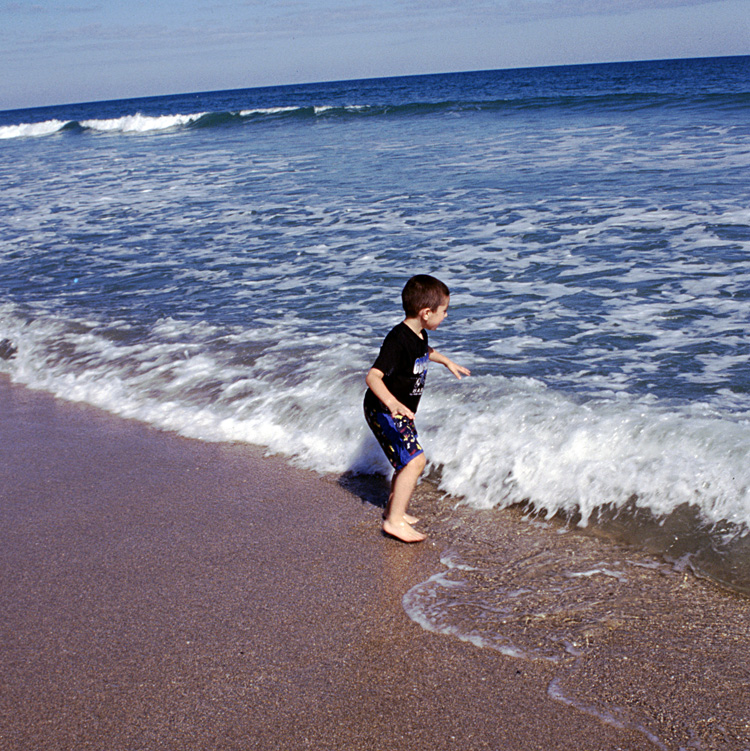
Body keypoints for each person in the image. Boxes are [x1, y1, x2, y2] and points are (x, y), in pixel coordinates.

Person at [364, 274, 470, 543]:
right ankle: (394, 521)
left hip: (400, 412)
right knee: (415, 460)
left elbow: (426, 351)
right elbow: (373, 377)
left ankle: (394, 509)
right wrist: (393, 404)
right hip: (384, 410)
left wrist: (447, 362)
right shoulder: (397, 340)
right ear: (426, 312)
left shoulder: (418, 334)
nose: (446, 316)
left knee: (405, 459)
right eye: (444, 311)